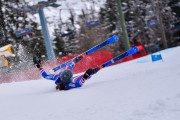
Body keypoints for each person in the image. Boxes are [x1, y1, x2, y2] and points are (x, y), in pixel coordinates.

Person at [33, 56, 100, 90]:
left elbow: (45, 75)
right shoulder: (71, 84)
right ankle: (74, 62)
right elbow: (79, 83)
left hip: (65, 77)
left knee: (69, 67)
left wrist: (39, 66)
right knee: (69, 66)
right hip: (71, 78)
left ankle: (74, 62)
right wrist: (86, 75)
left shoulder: (57, 78)